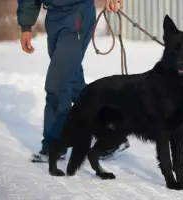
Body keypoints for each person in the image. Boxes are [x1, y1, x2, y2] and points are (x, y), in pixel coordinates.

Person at [16, 0, 130, 162]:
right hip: (54, 17)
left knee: (58, 84)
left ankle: (54, 144)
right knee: (73, 82)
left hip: (77, 13)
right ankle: (111, 129)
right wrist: (26, 26)